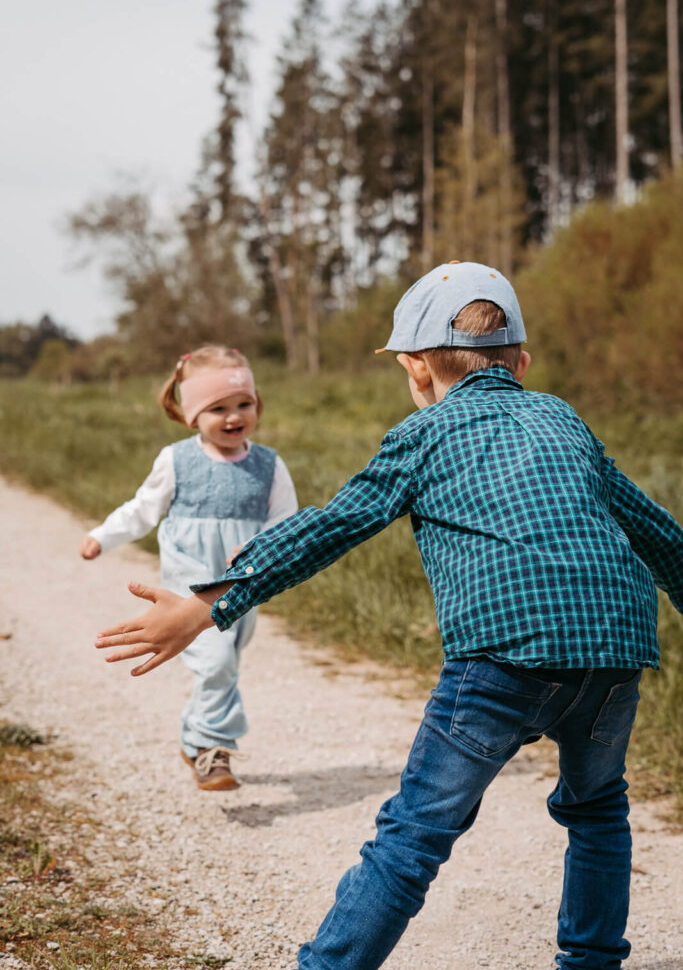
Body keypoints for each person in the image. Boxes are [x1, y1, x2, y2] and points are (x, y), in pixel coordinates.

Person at [94, 262, 683, 970]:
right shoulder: (563, 419)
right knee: (597, 810)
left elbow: (330, 526)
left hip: (500, 657)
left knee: (414, 834)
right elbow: (657, 533)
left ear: (414, 369)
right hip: (614, 651)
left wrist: (206, 603)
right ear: (520, 362)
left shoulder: (423, 432)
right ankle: (591, 962)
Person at [81, 345, 297, 790]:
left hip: (241, 585)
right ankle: (211, 748)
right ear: (191, 414)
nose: (234, 416)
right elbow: (143, 510)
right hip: (188, 584)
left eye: (244, 404)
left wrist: (267, 556)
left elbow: (286, 525)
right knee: (216, 659)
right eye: (218, 408)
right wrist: (103, 535)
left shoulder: (270, 466)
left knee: (226, 662)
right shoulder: (177, 460)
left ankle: (195, 740)